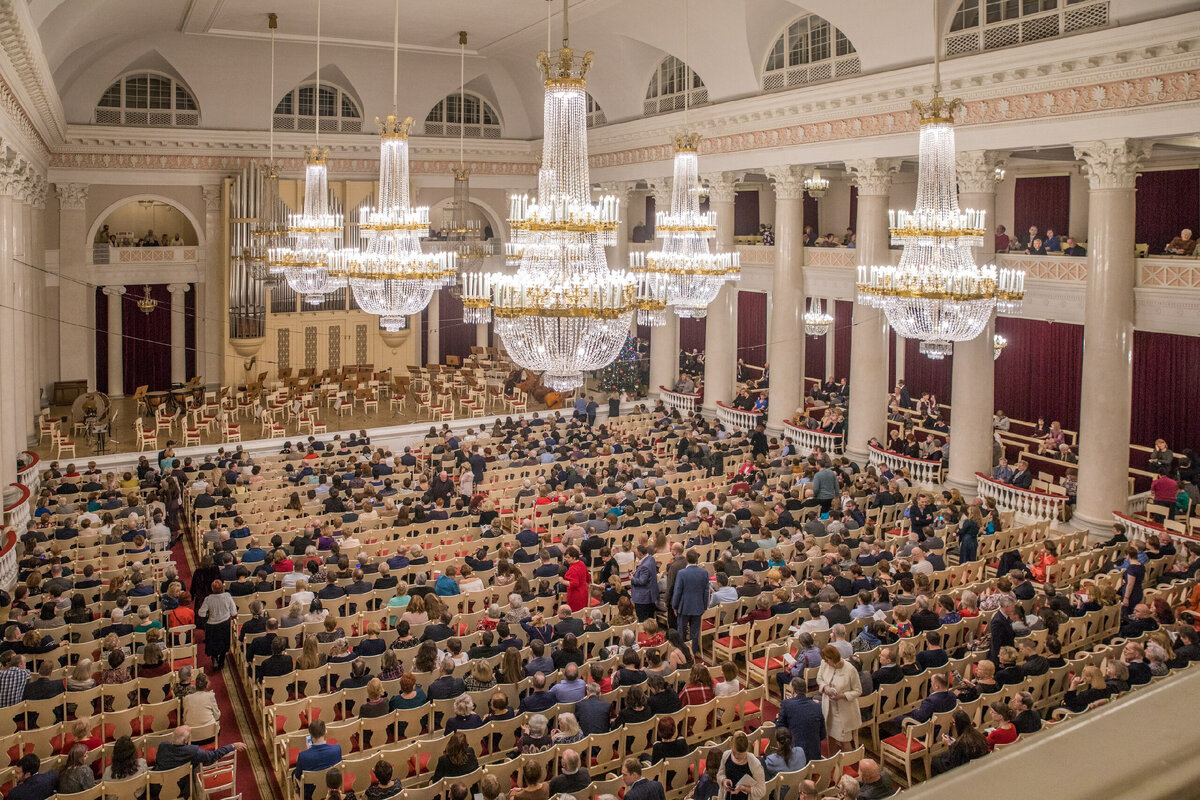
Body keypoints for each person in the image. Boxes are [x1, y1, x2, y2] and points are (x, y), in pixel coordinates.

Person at [156, 726, 245, 800]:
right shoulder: (192, 752)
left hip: (157, 788)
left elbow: (158, 762)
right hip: (180, 790)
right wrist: (232, 746)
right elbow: (212, 756)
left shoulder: (162, 746)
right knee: (197, 764)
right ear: (186, 741)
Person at [816, 645, 861, 753]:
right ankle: (832, 760)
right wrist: (825, 687)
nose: (826, 662)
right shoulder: (824, 664)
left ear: (833, 658)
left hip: (843, 711)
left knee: (844, 741)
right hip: (828, 708)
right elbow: (819, 678)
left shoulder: (850, 669)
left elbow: (858, 691)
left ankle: (849, 765)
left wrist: (841, 695)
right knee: (830, 737)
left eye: (827, 660)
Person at [776, 677, 824, 766]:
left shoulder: (787, 704)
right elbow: (823, 734)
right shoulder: (817, 706)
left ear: (793, 691)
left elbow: (780, 729)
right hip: (815, 756)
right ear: (806, 690)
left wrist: (777, 719)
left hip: (796, 757)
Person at [671, 549, 710, 652]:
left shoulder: (682, 573)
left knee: (682, 631)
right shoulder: (704, 573)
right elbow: (706, 592)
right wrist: (704, 606)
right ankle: (693, 651)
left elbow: (677, 591)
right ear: (697, 559)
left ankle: (683, 652)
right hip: (698, 606)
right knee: (694, 632)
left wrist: (674, 606)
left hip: (684, 606)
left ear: (687, 559)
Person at [292, 720, 342, 800]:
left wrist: (309, 751)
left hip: (310, 793)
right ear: (325, 732)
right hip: (331, 788)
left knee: (293, 773)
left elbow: (298, 776)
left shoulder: (303, 756)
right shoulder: (337, 749)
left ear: (311, 735)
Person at [930, 710, 989, 775]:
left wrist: (949, 744)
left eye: (954, 723)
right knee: (943, 755)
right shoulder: (978, 734)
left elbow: (954, 760)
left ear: (958, 724)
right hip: (978, 764)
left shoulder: (962, 742)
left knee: (935, 761)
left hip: (963, 768)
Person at [198, 579, 237, 670]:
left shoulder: (208, 599)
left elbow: (201, 613)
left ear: (212, 588)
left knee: (213, 643)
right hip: (225, 623)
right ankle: (222, 660)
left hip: (212, 625)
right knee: (224, 642)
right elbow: (233, 611)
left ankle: (214, 658)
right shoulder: (227, 596)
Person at [716, 731, 765, 800]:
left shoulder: (755, 764)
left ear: (746, 749)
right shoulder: (726, 755)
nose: (736, 756)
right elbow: (720, 775)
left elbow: (761, 791)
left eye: (740, 754)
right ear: (731, 746)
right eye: (734, 752)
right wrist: (724, 780)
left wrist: (743, 788)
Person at [182, 672, 220, 743]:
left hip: (192, 738)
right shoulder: (210, 696)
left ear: (195, 684)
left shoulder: (187, 698)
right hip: (210, 735)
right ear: (207, 685)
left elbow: (184, 719)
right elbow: (217, 716)